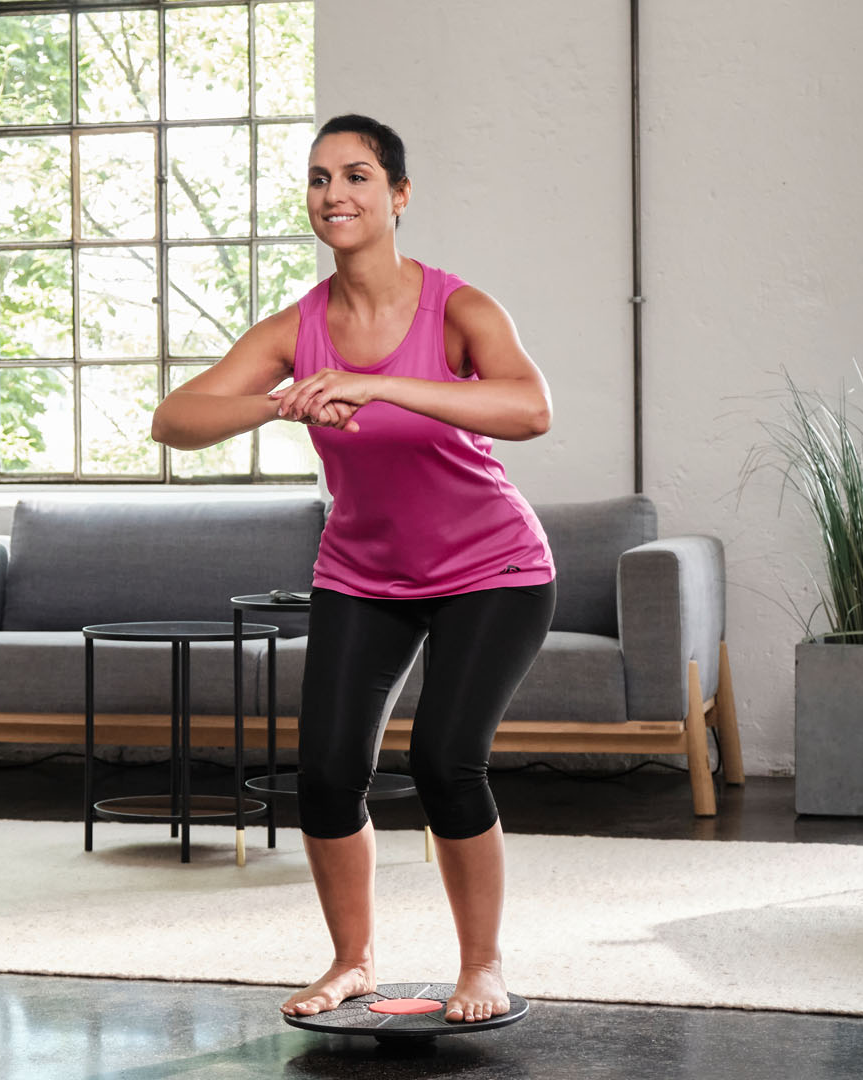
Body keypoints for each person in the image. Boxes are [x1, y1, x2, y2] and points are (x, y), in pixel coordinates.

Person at [149, 114, 557, 1023]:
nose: (336, 193)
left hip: (494, 567)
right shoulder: (299, 327)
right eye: (321, 178)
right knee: (329, 774)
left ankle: (482, 966)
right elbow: (173, 420)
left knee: (449, 760)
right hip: (364, 572)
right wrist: (272, 403)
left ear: (399, 196)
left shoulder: (459, 308)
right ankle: (353, 960)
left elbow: (531, 410)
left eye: (359, 176)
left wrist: (378, 385)